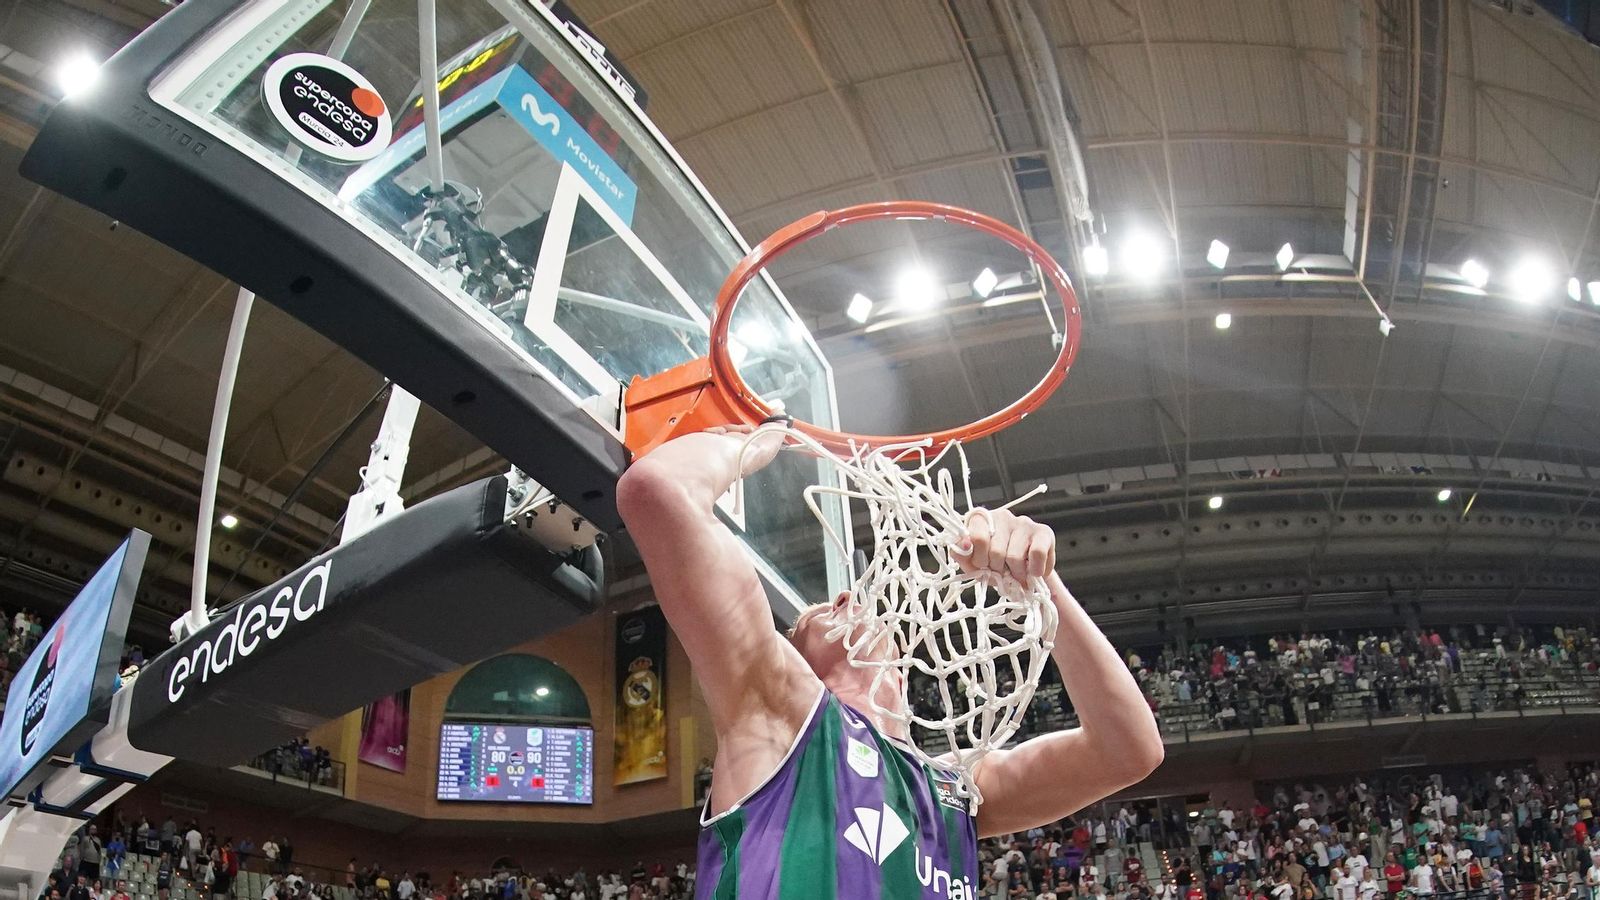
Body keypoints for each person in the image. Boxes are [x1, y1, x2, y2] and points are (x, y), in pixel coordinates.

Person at [617, 425, 1164, 897]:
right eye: (815, 615)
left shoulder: (955, 790)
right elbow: (657, 490)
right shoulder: (781, 715)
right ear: (794, 658)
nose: (845, 599)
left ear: (899, 661)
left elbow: (1128, 750)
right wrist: (754, 440)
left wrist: (1040, 584)